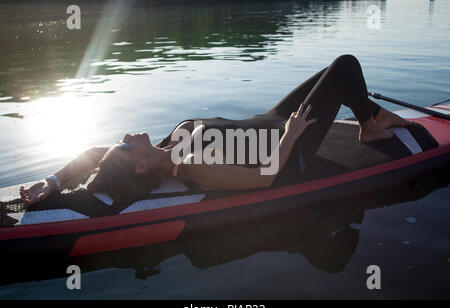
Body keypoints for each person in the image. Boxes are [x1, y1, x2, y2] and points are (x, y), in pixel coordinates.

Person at [20, 55, 411, 204]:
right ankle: (371, 126)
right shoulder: (191, 164)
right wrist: (292, 134)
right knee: (345, 66)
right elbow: (263, 180)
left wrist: (53, 181)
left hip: (271, 118)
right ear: (140, 167)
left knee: (332, 73)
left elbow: (91, 154)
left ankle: (373, 116)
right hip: (291, 144)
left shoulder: (160, 148)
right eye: (124, 147)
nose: (124, 138)